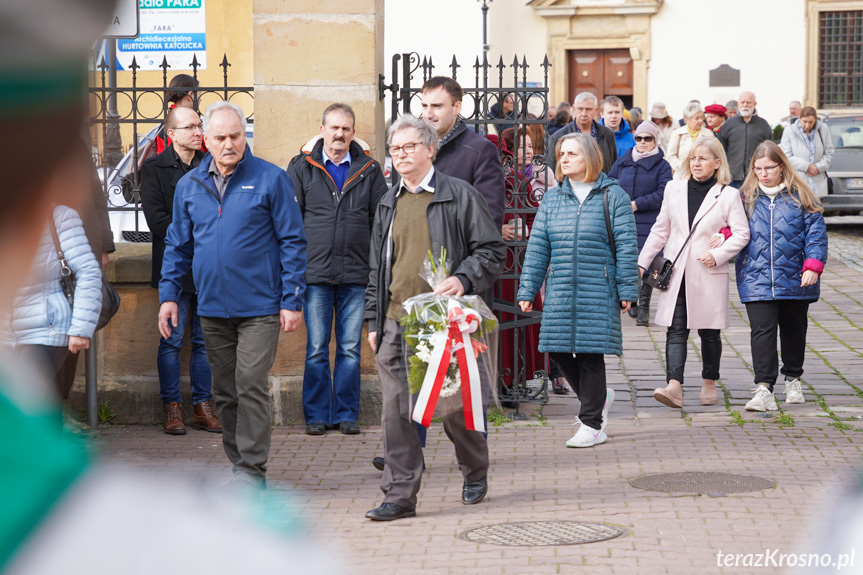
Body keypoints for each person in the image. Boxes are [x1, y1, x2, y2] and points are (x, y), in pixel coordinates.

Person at [158, 101, 307, 492]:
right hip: (211, 307)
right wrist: (169, 295)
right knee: (224, 393)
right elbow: (177, 245)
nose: (229, 144)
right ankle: (240, 461)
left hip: (260, 307)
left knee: (250, 383)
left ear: (245, 136)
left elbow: (293, 241)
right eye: (220, 137)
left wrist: (292, 300)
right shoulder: (190, 186)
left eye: (236, 136)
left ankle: (251, 472)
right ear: (205, 139)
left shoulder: (271, 179)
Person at [364, 115, 505, 521]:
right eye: (395, 148)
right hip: (395, 322)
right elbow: (376, 268)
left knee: (455, 409)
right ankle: (400, 495)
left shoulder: (459, 195)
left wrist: (464, 278)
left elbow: (492, 250)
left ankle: (475, 468)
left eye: (409, 146)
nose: (401, 154)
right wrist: (375, 320)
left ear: (430, 149)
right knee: (396, 412)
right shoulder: (388, 203)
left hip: (443, 323)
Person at [518, 132, 638, 447]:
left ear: (590, 158)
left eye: (572, 153)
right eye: (562, 154)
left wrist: (627, 288)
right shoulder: (553, 199)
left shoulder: (613, 196)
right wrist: (527, 290)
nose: (565, 159)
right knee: (557, 348)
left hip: (599, 285)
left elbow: (626, 246)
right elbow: (538, 248)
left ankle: (592, 424)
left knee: (589, 351)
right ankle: (597, 397)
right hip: (560, 287)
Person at [287, 103, 387, 436]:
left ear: (353, 133)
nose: (339, 134)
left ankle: (346, 414)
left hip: (356, 276)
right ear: (322, 129)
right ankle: (316, 415)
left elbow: (380, 224)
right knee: (316, 348)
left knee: (349, 349)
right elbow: (290, 222)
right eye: (334, 128)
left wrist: (375, 270)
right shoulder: (302, 167)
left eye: (346, 128)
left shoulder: (370, 170)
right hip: (314, 275)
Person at [637, 137, 750, 408]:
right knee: (675, 330)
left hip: (708, 271)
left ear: (717, 163)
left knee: (709, 332)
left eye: (703, 158)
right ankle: (674, 385)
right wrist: (642, 262)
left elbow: (742, 233)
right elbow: (660, 229)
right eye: (693, 158)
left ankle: (709, 381)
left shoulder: (728, 194)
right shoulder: (673, 188)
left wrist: (717, 254)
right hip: (675, 272)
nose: (696, 163)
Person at [140, 106, 220, 436]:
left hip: (209, 266)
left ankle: (203, 405)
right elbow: (157, 222)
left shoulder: (211, 164)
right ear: (171, 134)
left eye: (199, 126)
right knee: (171, 340)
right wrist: (198, 230)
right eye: (189, 127)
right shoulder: (154, 168)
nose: (197, 132)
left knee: (204, 341)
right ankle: (172, 407)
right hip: (175, 266)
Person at [737, 141, 827, 411]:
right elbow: (732, 226)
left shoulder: (802, 195)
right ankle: (763, 387)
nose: (763, 173)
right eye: (758, 168)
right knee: (761, 331)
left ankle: (793, 378)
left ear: (781, 166)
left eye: (769, 168)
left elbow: (816, 235)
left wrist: (812, 265)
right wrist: (724, 236)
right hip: (756, 275)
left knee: (794, 330)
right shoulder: (744, 197)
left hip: (796, 276)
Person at [0, 199, 103, 399]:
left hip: (46, 327)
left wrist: (81, 328)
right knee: (45, 404)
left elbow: (88, 271)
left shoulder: (60, 217)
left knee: (21, 397)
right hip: (6, 331)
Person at [498, 127, 563, 392]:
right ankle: (499, 380)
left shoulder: (518, 181)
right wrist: (496, 230)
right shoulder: (479, 184)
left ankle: (517, 377)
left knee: (522, 316)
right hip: (492, 261)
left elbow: (535, 216)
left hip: (518, 261)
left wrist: (527, 228)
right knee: (499, 319)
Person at [608, 120, 673, 327]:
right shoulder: (624, 160)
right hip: (624, 218)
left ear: (655, 140)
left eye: (648, 138)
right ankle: (632, 300)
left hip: (650, 220)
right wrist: (619, 203)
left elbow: (664, 192)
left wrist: (638, 204)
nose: (642, 142)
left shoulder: (663, 165)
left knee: (649, 261)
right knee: (627, 260)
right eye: (639, 138)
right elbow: (610, 182)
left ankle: (644, 305)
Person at [422, 76, 506, 229]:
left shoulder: (480, 150)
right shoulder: (414, 148)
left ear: (457, 107)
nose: (428, 114)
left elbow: (489, 219)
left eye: (437, 106)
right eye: (424, 106)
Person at [548, 92, 617, 174]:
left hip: (601, 185)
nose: (584, 114)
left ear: (596, 110)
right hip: (570, 185)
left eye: (588, 109)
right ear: (574, 109)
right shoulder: (558, 137)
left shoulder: (608, 134)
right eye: (580, 109)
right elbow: (551, 172)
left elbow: (613, 167)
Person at [719, 91, 772, 188]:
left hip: (756, 177)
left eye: (748, 102)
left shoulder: (763, 125)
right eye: (742, 102)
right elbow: (721, 150)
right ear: (738, 104)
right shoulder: (728, 125)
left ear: (754, 104)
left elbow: (769, 151)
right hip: (732, 178)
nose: (745, 105)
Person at [780, 106, 834, 198]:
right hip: (797, 183)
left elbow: (829, 153)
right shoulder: (789, 131)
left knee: (818, 210)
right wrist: (807, 167)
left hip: (818, 183)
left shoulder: (823, 129)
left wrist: (818, 167)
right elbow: (786, 156)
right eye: (804, 121)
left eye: (811, 122)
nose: (807, 125)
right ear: (799, 118)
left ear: (815, 120)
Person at [154, 74, 203, 154]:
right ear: (190, 95)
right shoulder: (175, 122)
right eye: (199, 94)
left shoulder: (169, 120)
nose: (201, 99)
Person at [666, 102, 715, 176]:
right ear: (686, 120)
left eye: (702, 117)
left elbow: (713, 154)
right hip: (682, 174)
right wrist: (683, 166)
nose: (700, 121)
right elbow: (670, 155)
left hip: (703, 174)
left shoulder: (708, 134)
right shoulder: (678, 133)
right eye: (697, 118)